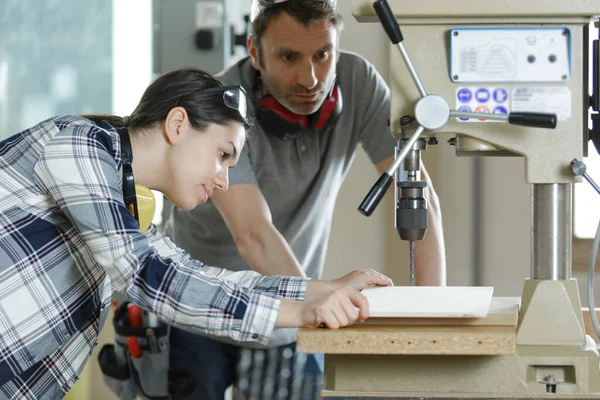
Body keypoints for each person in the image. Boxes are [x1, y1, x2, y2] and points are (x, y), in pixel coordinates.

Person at [0, 67, 394, 400]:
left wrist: (321, 290)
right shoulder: (77, 143)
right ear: (177, 125)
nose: (223, 180)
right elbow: (146, 277)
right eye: (223, 155)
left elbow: (201, 276)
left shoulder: (126, 209)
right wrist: (300, 314)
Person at [161, 0, 447, 399]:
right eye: (289, 57)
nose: (310, 78)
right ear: (255, 52)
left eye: (323, 54)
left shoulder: (358, 81)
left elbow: (421, 198)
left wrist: (432, 322)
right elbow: (254, 233)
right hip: (198, 303)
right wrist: (318, 301)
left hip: (288, 298)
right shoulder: (221, 103)